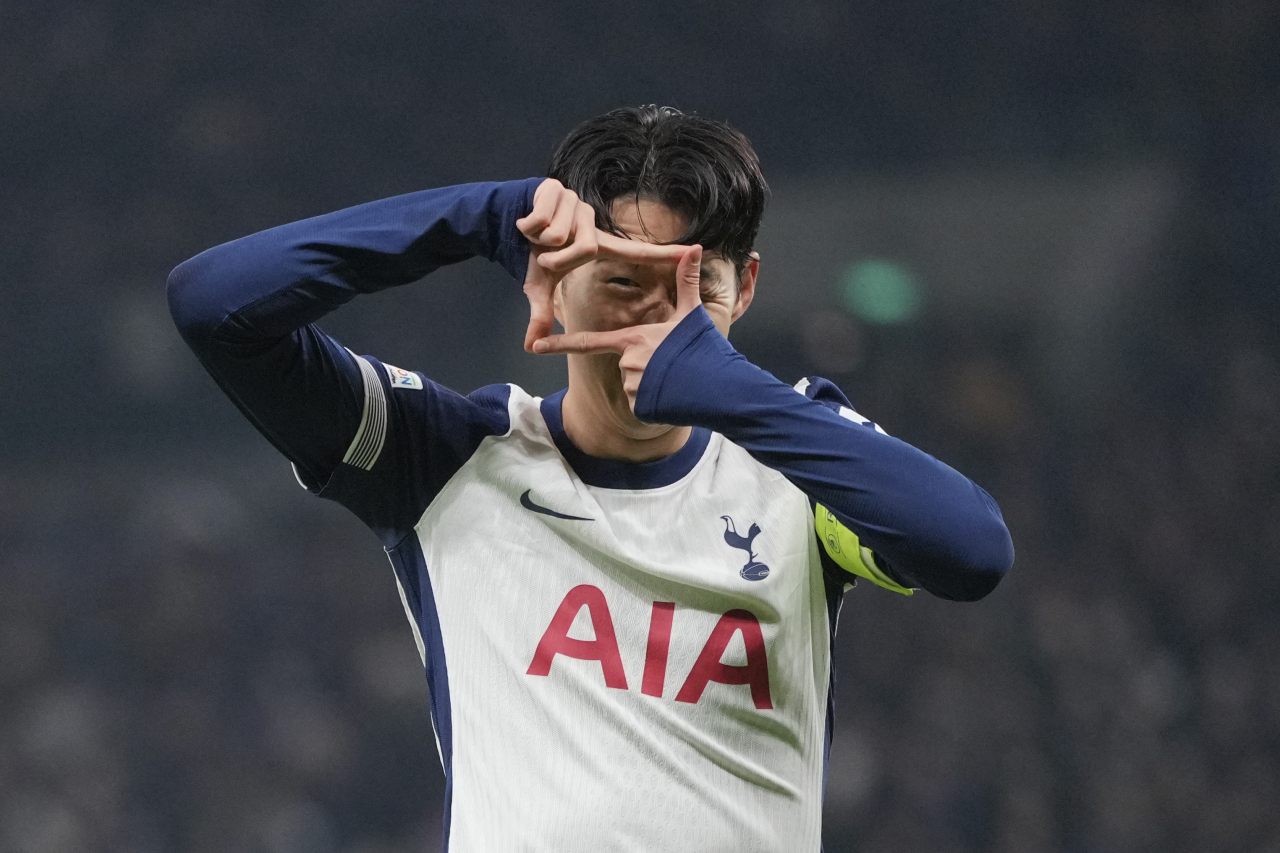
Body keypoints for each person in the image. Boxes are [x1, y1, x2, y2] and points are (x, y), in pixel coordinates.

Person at [168, 105, 1013, 851]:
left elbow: (972, 550)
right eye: (620, 281)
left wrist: (735, 393)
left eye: (692, 292)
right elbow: (215, 305)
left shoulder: (794, 463)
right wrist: (475, 216)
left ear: (745, 289)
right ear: (556, 275)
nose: (653, 325)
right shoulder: (449, 457)